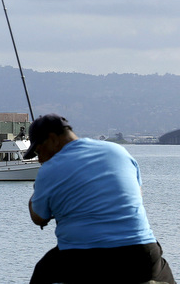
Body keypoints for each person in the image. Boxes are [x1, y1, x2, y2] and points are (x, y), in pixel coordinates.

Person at [26, 113, 175, 284]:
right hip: (141, 254)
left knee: (43, 271)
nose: (40, 159)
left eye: (39, 151)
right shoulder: (118, 150)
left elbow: (38, 217)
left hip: (83, 258)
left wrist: (37, 192)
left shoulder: (49, 169)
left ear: (52, 139)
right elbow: (136, 195)